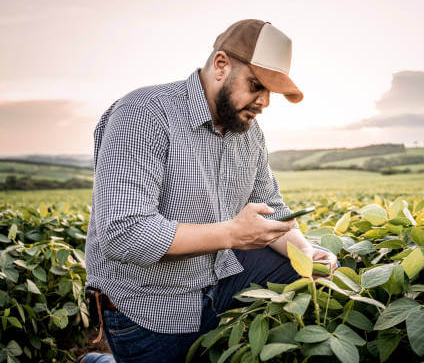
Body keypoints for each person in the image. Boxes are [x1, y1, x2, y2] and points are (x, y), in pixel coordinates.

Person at [80, 19, 339, 363]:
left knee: (304, 270)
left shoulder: (249, 131)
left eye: (269, 92)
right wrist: (231, 234)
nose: (264, 102)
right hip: (150, 301)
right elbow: (123, 234)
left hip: (218, 277)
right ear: (220, 66)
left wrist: (309, 253)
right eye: (255, 85)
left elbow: (272, 210)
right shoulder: (143, 115)